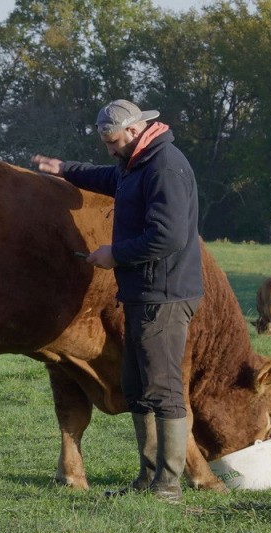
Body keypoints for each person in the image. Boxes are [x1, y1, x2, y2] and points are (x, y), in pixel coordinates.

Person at [32, 99, 203, 502]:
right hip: (143, 292)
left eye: (112, 142)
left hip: (164, 295)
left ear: (132, 130)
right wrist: (65, 170)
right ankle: (147, 477)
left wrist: (115, 254)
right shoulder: (137, 163)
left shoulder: (165, 167)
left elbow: (169, 236)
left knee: (162, 387)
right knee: (137, 384)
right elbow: (112, 179)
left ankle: (168, 486)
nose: (109, 150)